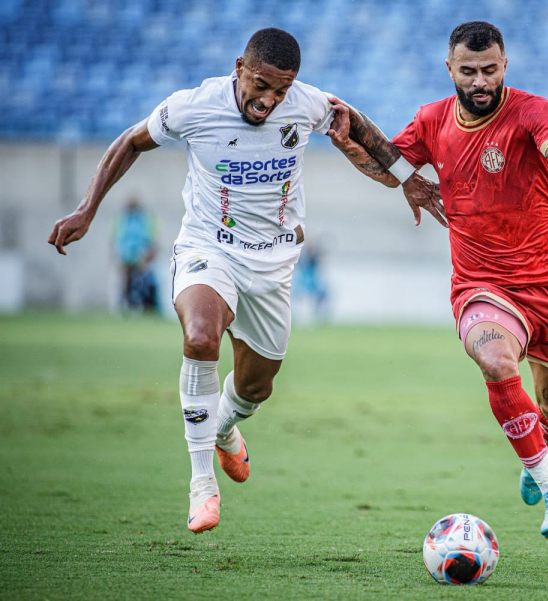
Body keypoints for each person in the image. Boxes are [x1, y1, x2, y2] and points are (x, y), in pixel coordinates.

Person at [48, 28, 443, 534]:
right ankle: (201, 485)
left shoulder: (305, 103)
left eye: (281, 91)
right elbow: (131, 141)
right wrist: (87, 209)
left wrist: (407, 176)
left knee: (256, 386)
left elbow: (356, 123)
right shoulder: (193, 106)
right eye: (261, 85)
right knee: (200, 337)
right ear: (241, 67)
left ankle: (226, 430)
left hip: (274, 263)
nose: (270, 101)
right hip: (207, 248)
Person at [329, 21, 548, 539]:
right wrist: (348, 145)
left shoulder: (532, 111)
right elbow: (389, 167)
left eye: (490, 70)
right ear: (450, 70)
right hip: (481, 283)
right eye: (468, 72)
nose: (480, 81)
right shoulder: (431, 120)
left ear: (505, 65)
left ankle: (541, 447)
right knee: (494, 358)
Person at [113, 198, 159, 313]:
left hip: (142, 257)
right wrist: (120, 258)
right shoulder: (122, 220)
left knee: (144, 283)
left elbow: (151, 240)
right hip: (126, 258)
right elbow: (117, 240)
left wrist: (146, 258)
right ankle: (126, 308)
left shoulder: (145, 219)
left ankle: (148, 308)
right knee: (126, 285)